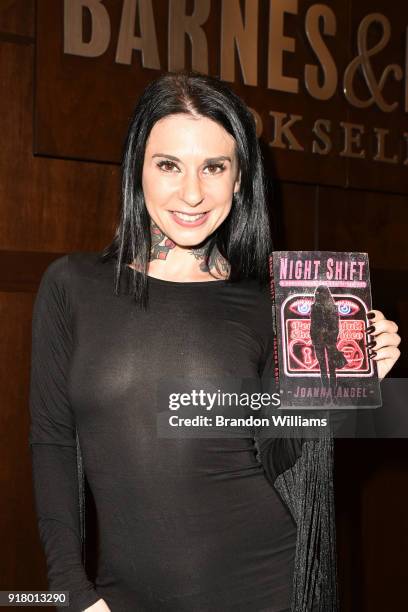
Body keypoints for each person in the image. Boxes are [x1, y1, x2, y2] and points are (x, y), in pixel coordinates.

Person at [28, 70, 401, 612]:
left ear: (240, 178)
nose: (193, 193)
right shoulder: (71, 286)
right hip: (119, 596)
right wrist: (68, 592)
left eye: (214, 167)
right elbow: (52, 444)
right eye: (169, 165)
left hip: (262, 587)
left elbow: (278, 454)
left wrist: (343, 383)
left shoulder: (269, 304)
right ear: (137, 169)